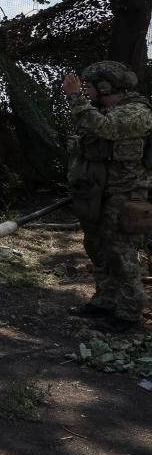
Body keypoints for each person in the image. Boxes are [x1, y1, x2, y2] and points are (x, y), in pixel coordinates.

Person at [62, 61, 151, 333]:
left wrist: (76, 98)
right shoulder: (101, 110)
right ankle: (105, 300)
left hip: (124, 196)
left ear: (105, 86)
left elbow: (106, 128)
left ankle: (128, 311)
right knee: (97, 248)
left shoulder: (137, 112)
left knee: (120, 253)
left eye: (88, 86)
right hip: (97, 194)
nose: (85, 91)